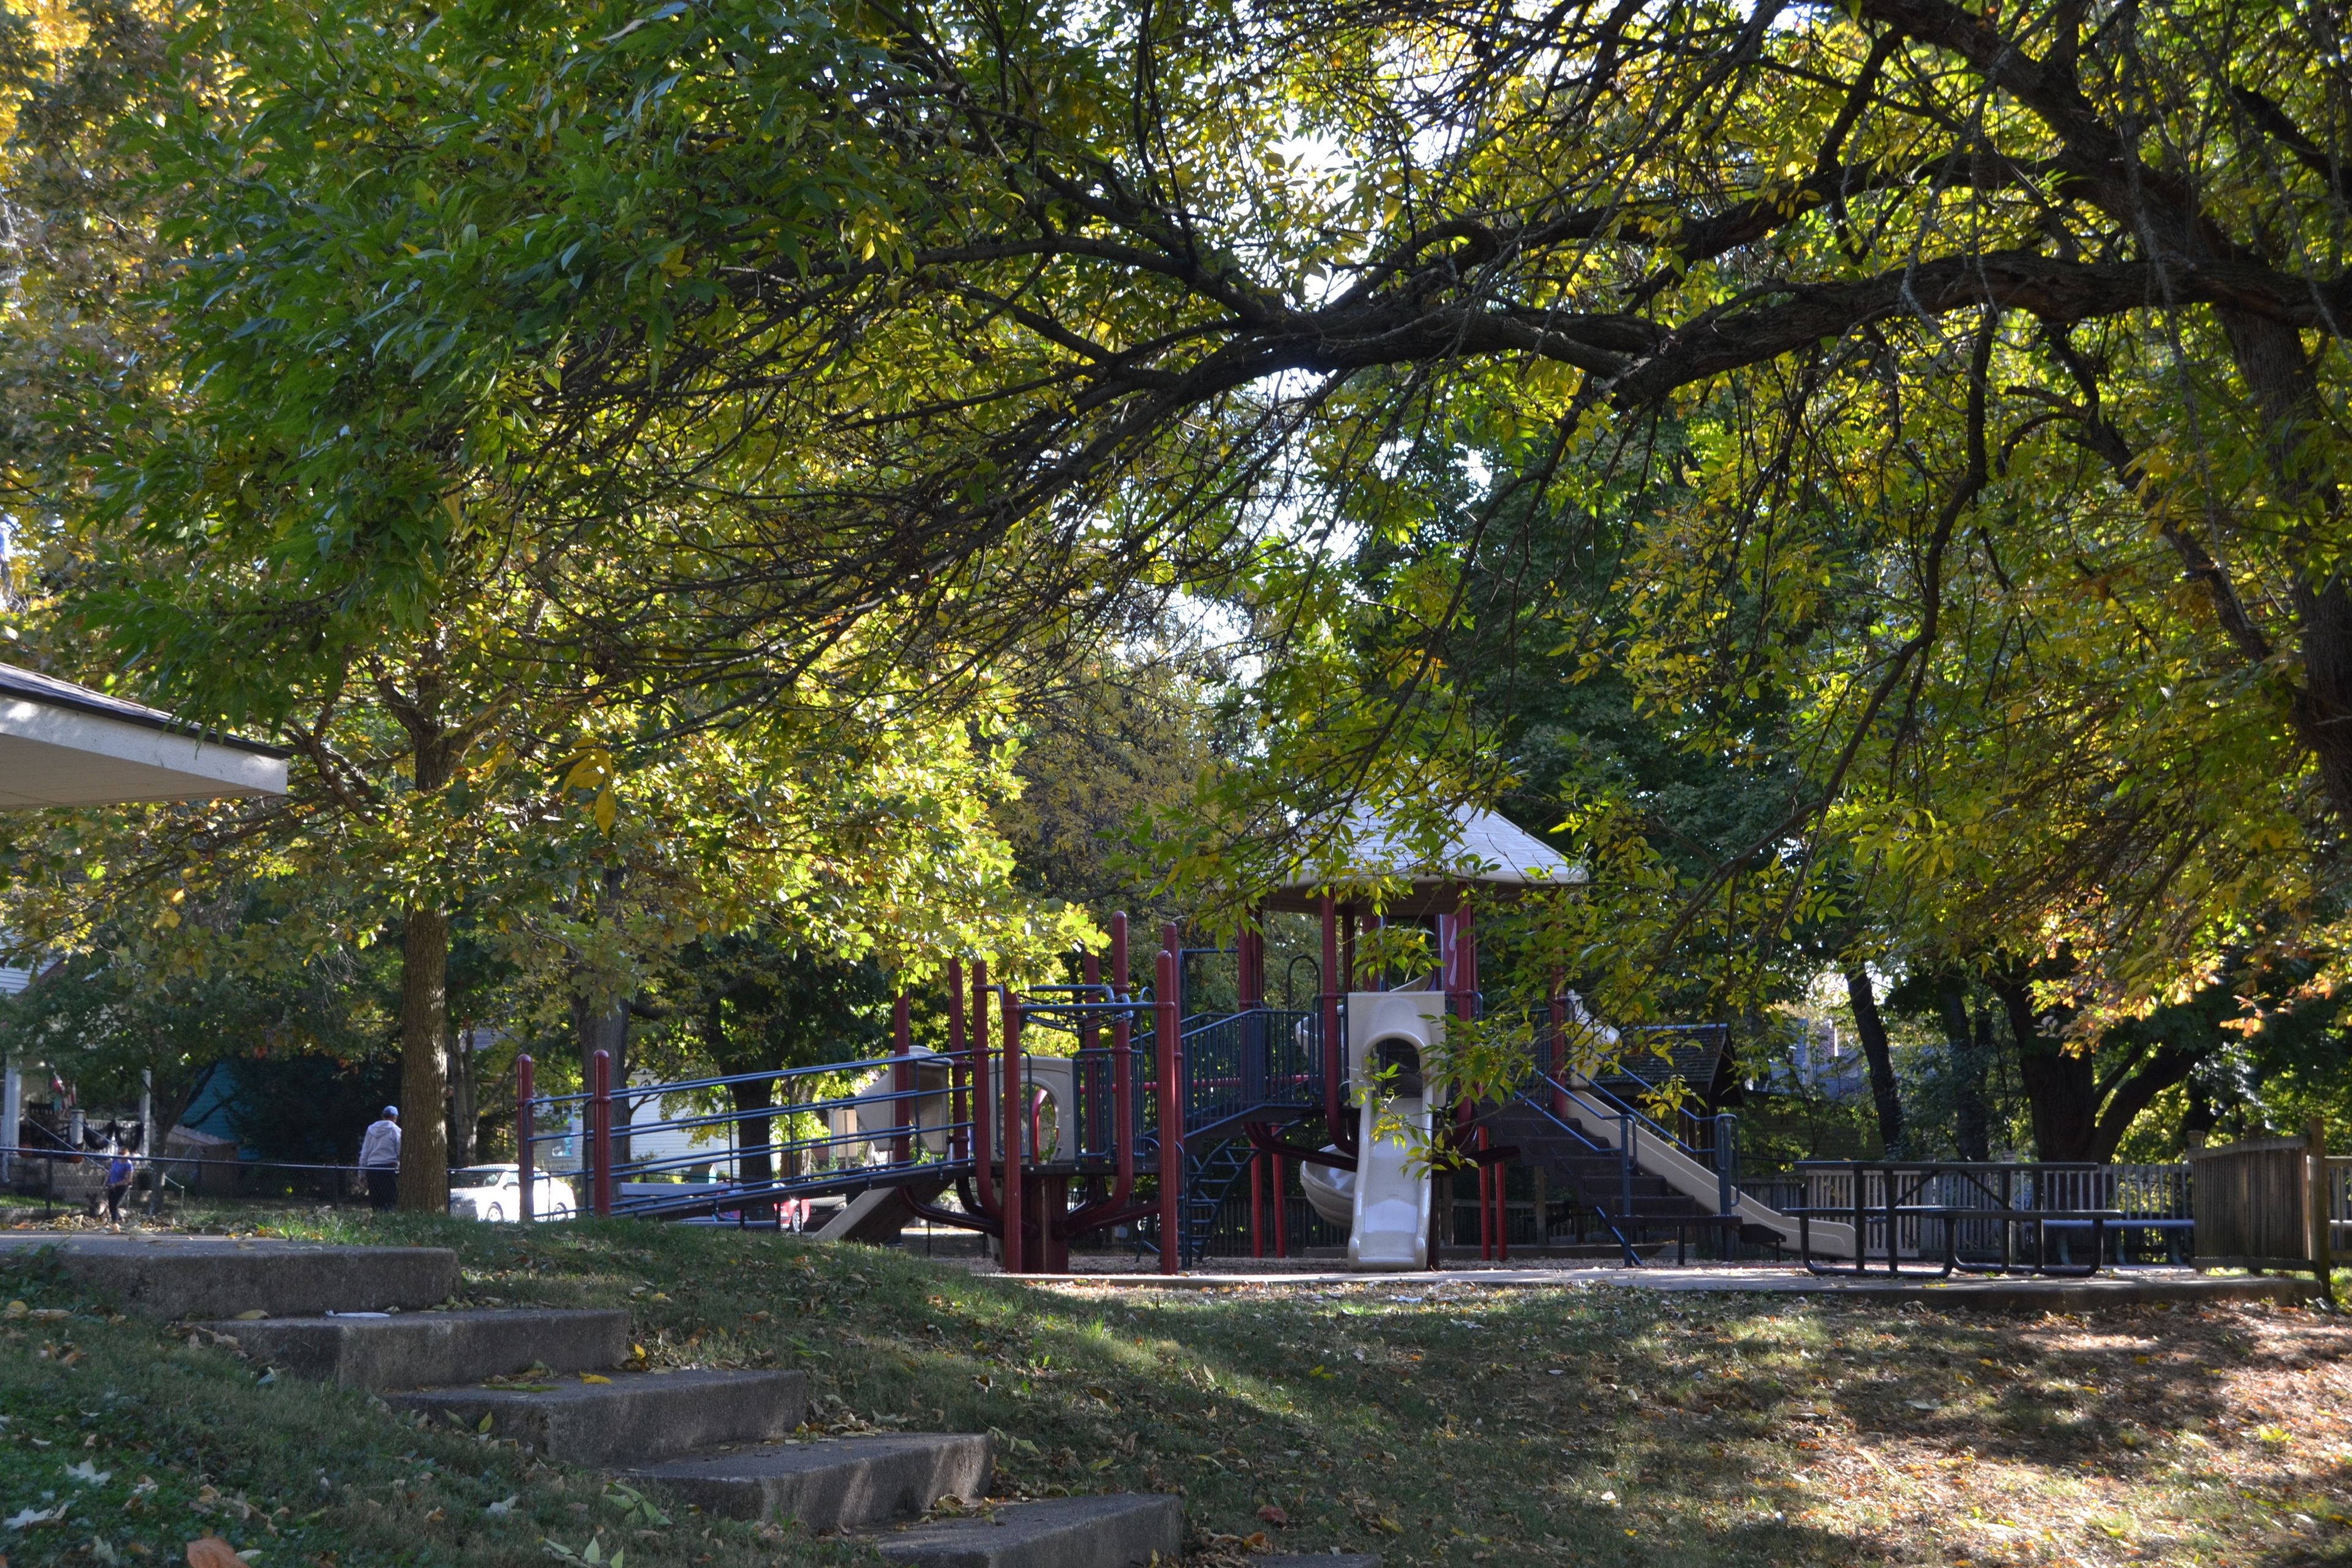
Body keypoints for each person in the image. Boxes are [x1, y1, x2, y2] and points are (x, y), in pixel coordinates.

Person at [359, 1106, 401, 1211]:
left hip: (371, 1168)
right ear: (395, 1117)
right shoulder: (396, 1130)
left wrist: (361, 1171)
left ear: (383, 1116)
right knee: (390, 1200)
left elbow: (365, 1151)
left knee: (376, 1201)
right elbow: (400, 1150)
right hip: (388, 1168)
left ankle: (377, 1222)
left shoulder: (371, 1129)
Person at [102, 1147, 133, 1226]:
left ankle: (115, 1221)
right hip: (111, 1185)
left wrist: (116, 1184)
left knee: (114, 1204)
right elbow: (110, 1173)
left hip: (121, 1186)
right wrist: (105, 1183)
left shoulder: (128, 1164)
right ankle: (118, 1219)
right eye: (120, 1154)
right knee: (111, 1203)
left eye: (123, 1154)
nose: (121, 1156)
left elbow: (128, 1179)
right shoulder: (116, 1162)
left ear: (127, 1154)